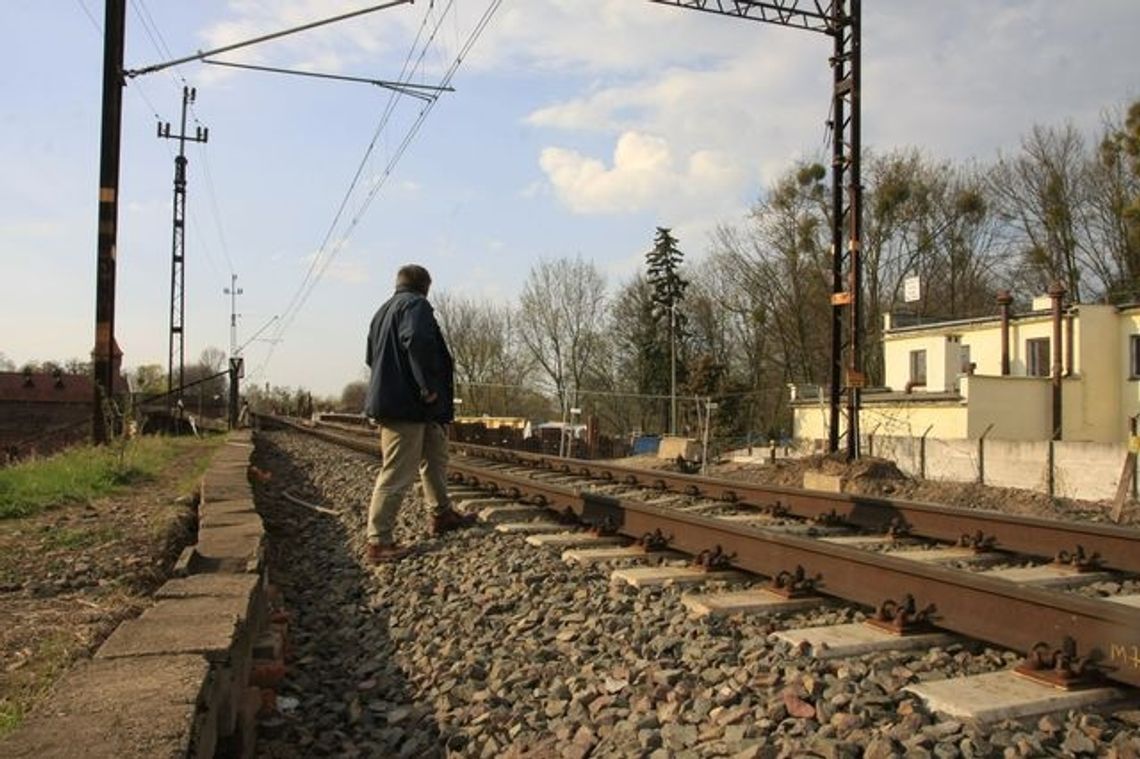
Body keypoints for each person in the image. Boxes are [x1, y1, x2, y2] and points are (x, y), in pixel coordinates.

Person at [363, 264, 473, 564]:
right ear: (426, 286)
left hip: (411, 405)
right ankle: (379, 541)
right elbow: (417, 342)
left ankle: (442, 514)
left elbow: (371, 357)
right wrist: (426, 387)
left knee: (435, 456)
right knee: (398, 471)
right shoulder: (416, 305)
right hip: (408, 404)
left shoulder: (382, 312)